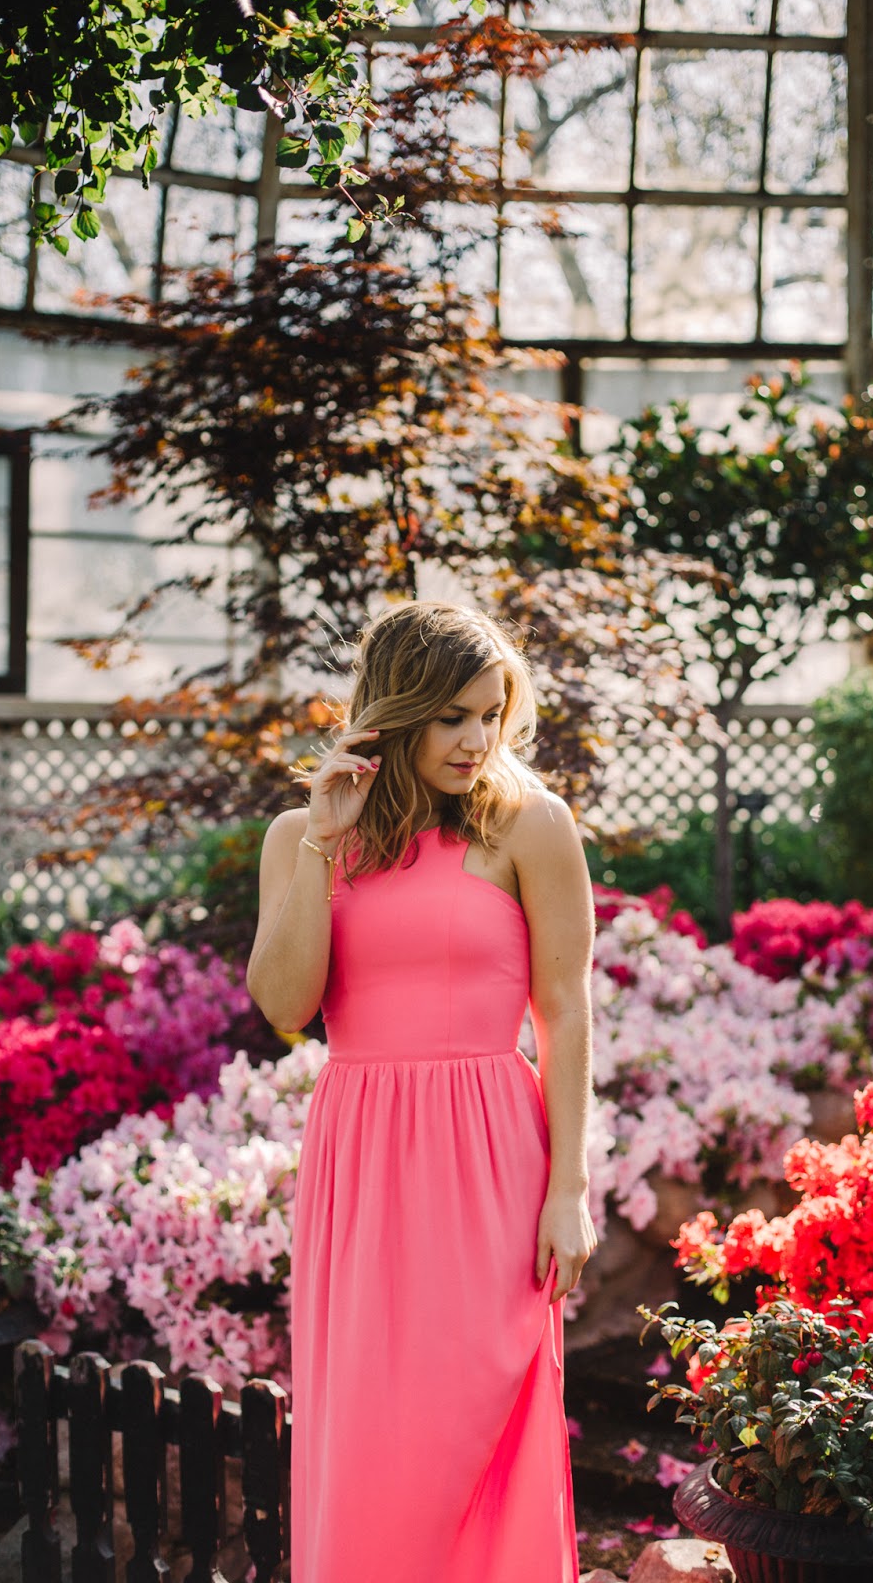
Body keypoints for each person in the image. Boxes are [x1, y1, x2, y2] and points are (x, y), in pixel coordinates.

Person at [247, 599, 597, 1583]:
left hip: (491, 1157)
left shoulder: (529, 823)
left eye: (491, 713)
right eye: (453, 716)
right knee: (367, 1432)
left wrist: (566, 1188)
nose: (476, 739)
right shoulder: (300, 837)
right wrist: (324, 839)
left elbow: (563, 1012)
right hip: (360, 1162)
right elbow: (285, 1002)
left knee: (472, 1414)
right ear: (396, 713)